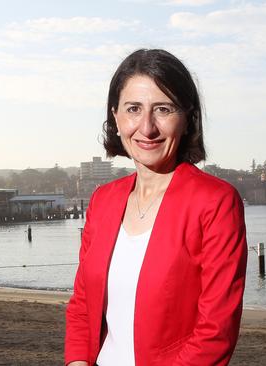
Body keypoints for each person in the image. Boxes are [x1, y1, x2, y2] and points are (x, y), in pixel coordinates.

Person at [65, 49, 247, 366]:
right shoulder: (103, 200)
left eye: (163, 109)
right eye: (133, 109)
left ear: (188, 119)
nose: (147, 127)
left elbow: (216, 331)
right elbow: (83, 303)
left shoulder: (215, 202)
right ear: (116, 117)